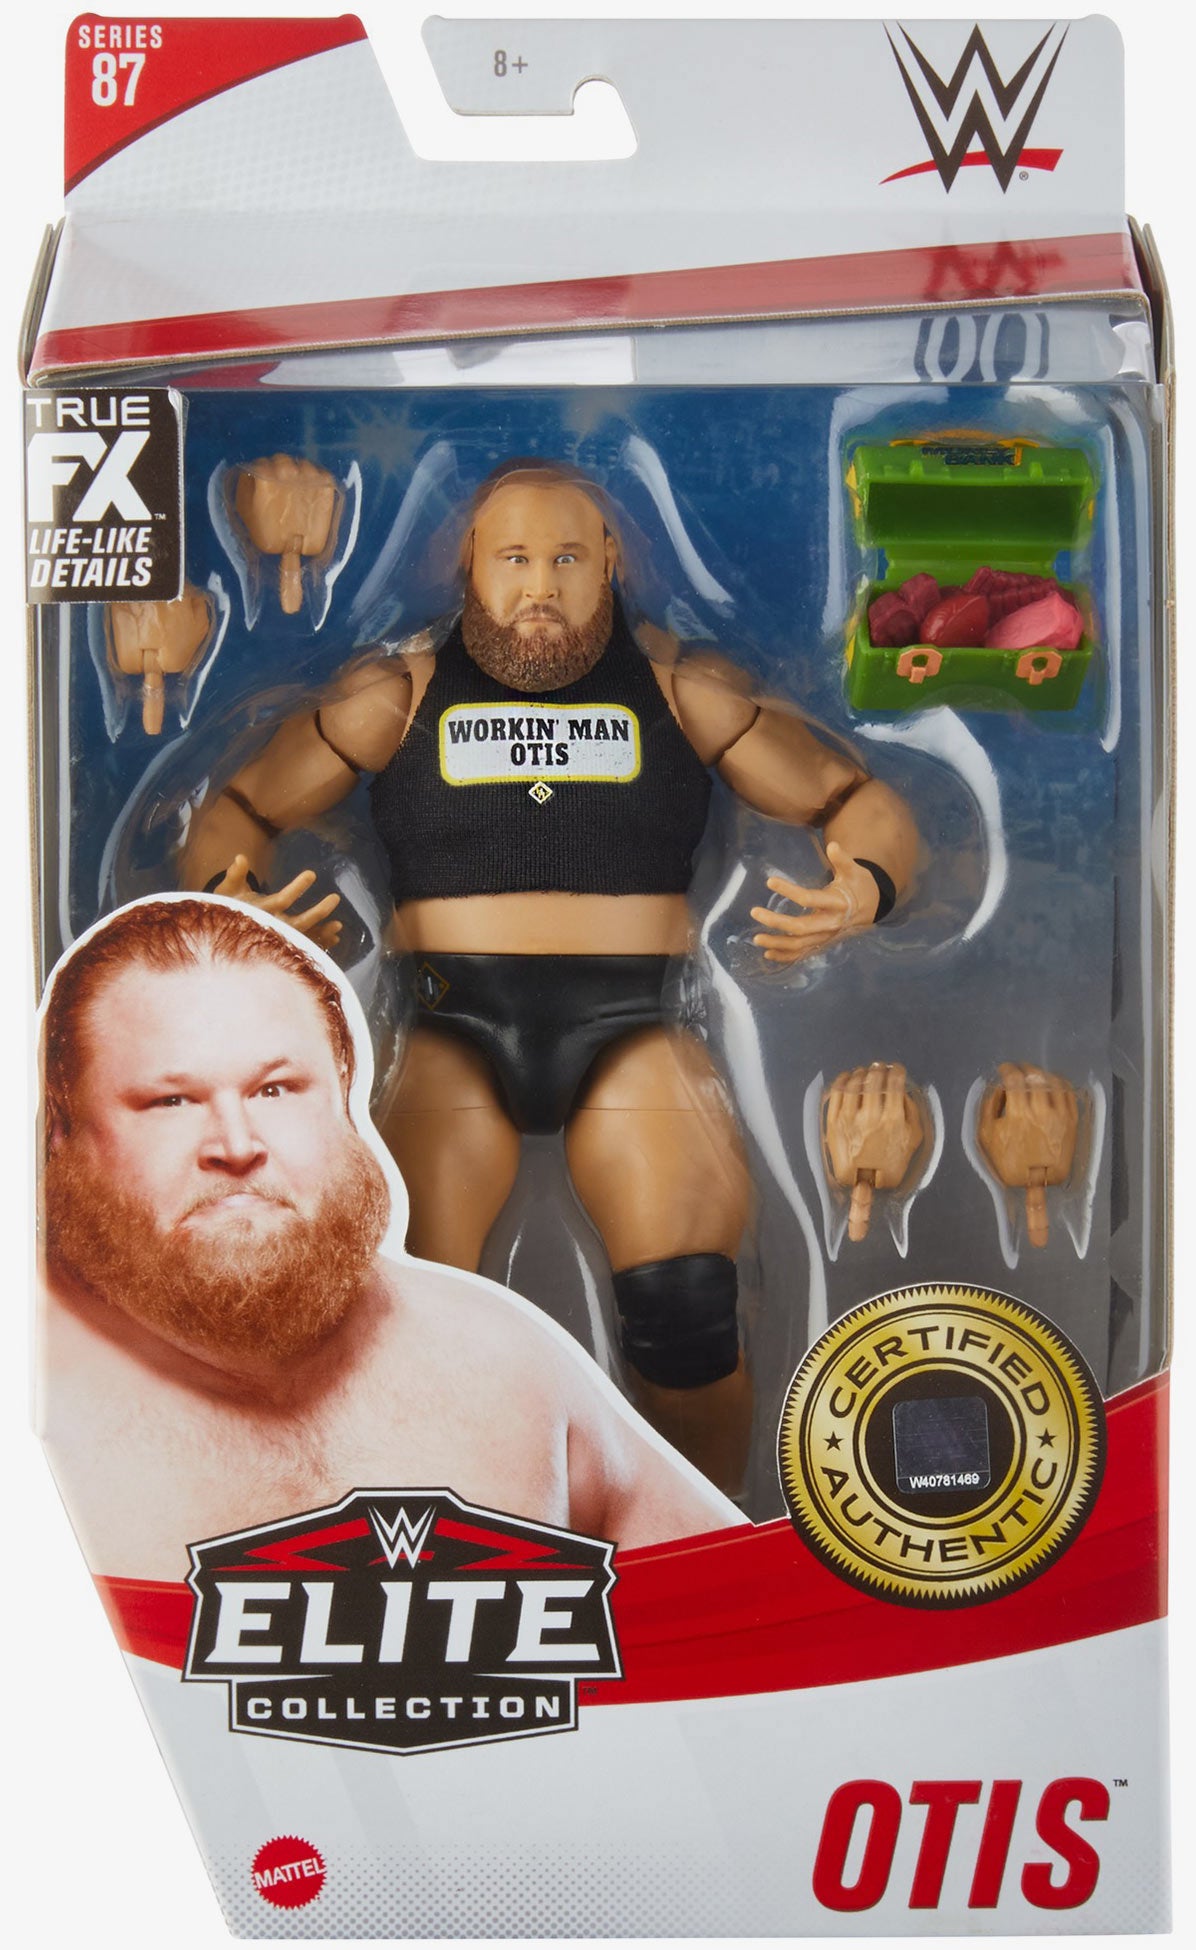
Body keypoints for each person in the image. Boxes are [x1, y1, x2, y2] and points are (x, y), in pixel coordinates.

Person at [178, 458, 920, 1488]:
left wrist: (865, 888)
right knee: (393, 1313)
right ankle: (408, 1523)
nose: (540, 587)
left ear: (609, 562)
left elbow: (853, 799)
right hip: (451, 1029)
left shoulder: (683, 690)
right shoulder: (397, 693)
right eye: (516, 558)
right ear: (470, 566)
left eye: (566, 559)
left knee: (687, 1316)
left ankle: (696, 1541)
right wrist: (230, 900)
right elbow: (237, 808)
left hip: (632, 1027)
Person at [38, 898, 742, 1582]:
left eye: (275, 1090)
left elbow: (742, 1604)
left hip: (637, 1001)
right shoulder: (34, 1390)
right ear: (59, 1132)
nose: (237, 1144)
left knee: (681, 1309)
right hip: (455, 1009)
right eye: (170, 1101)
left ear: (345, 1095)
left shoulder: (503, 1362)